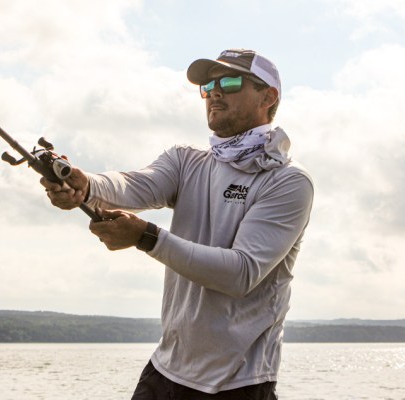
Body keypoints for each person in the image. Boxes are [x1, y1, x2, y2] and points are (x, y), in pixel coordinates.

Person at [41, 49, 314, 399]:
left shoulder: (288, 181)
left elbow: (240, 274)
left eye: (230, 82)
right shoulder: (185, 160)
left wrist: (147, 237)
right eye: (208, 86)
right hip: (165, 370)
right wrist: (85, 184)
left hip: (240, 383)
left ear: (268, 97)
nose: (215, 92)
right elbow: (132, 185)